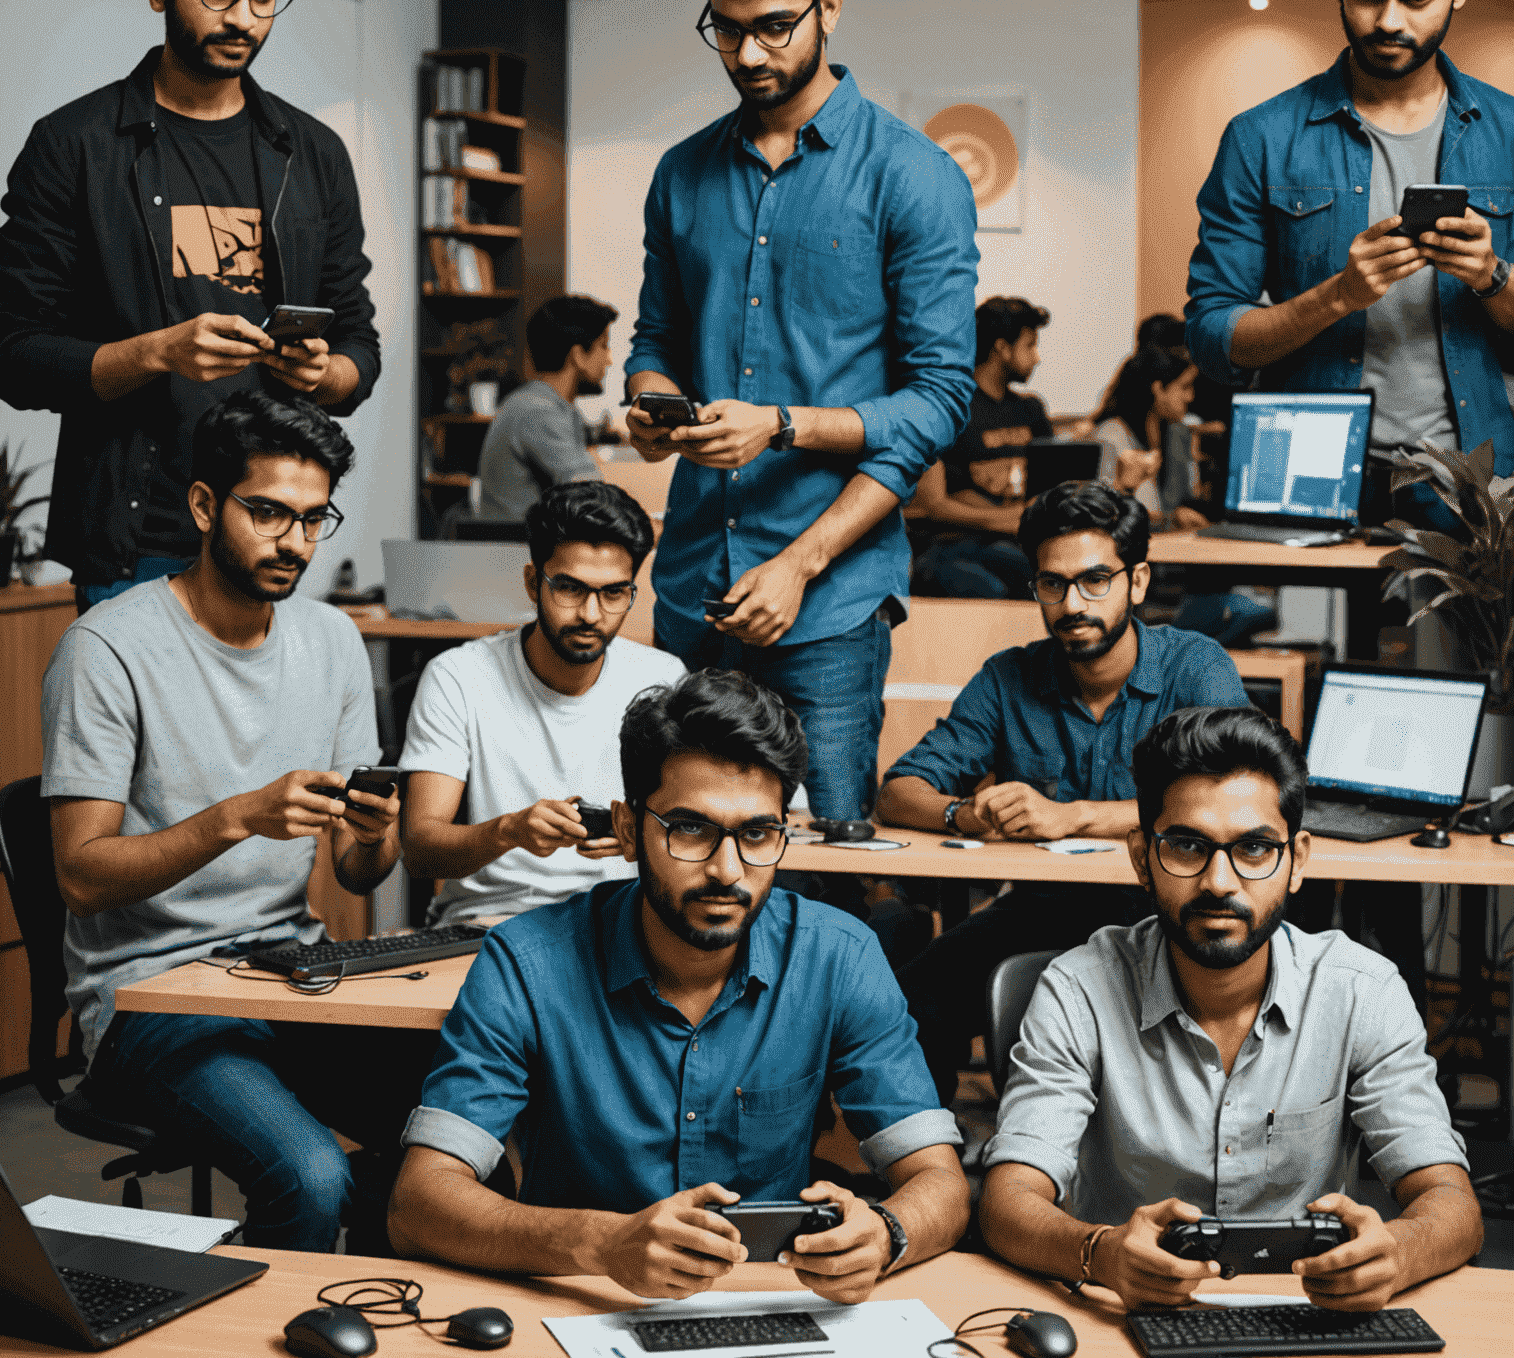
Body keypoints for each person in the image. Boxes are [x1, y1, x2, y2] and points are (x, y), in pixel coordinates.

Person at [389, 669, 969, 1303]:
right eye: (691, 829)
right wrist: (603, 1244)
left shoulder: (839, 956)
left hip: (767, 1306)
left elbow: (939, 1182)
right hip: (576, 1303)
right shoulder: (524, 961)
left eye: (756, 835)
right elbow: (419, 1203)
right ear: (630, 829)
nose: (727, 871)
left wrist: (887, 1231)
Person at [40, 392, 433, 1252]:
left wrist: (372, 833)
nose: (293, 541)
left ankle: (360, 1318)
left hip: (293, 978)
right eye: (267, 513)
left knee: (451, 1146)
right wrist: (237, 818)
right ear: (205, 505)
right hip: (150, 996)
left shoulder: (331, 639)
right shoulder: (108, 649)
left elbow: (363, 872)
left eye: (312, 518)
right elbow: (79, 873)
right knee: (311, 1175)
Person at [622, 0, 978, 825]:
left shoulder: (915, 176)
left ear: (829, 4)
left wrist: (784, 454)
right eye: (725, 27)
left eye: (774, 25)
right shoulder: (682, 173)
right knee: (676, 852)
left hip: (827, 603)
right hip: (692, 585)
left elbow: (941, 400)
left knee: (818, 867)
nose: (747, 52)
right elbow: (655, 336)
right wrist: (653, 404)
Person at [979, 706, 1481, 1312]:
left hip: (1305, 1318)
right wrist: (1102, 1252)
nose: (1220, 881)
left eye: (1254, 848)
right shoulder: (1078, 988)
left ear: (1298, 859)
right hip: (1121, 1315)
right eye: (1187, 846)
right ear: (1141, 857)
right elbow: (1007, 1202)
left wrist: (1398, 1251)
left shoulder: (1360, 990)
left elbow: (1452, 1201)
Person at [0, 0, 380, 613]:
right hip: (133, 541)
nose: (244, 18)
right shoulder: (76, 146)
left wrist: (321, 375)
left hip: (273, 536)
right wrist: (157, 352)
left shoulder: (313, 153)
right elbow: (12, 353)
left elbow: (361, 346)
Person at [879, 481, 1250, 1105]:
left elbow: (1229, 800)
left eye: (1095, 580)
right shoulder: (1009, 676)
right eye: (1053, 585)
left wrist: (1072, 817)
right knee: (914, 1005)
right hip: (1039, 912)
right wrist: (965, 814)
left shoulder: (1193, 666)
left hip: (1168, 917)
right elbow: (898, 792)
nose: (1073, 602)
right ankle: (934, 1171)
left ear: (1137, 582)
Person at [1185, 0, 1514, 525]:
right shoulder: (1261, 138)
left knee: (1465, 637)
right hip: (1304, 475)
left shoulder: (1510, 134)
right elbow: (1212, 339)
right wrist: (1339, 295)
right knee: (1296, 637)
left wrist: (1492, 276)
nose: (1388, 20)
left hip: (1473, 482)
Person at [400, 479, 685, 926]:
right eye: (570, 589)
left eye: (613, 593)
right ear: (534, 583)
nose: (591, 614)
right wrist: (508, 831)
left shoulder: (661, 680)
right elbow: (420, 850)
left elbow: (689, 833)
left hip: (620, 925)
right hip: (489, 923)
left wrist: (641, 837)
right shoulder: (458, 677)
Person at [907, 297, 1053, 599]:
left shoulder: (1031, 410)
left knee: (1049, 577)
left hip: (1013, 541)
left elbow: (1049, 484)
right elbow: (940, 503)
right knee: (997, 586)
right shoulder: (953, 411)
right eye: (1030, 345)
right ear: (1002, 348)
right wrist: (1013, 520)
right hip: (953, 545)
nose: (1036, 357)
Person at [472, 296, 613, 525]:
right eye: (603, 346)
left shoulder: (540, 404)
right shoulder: (537, 412)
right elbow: (591, 497)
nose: (609, 360)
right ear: (578, 355)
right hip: (517, 552)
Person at [1092, 345, 1207, 530]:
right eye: (1184, 387)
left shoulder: (1176, 433)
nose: (1190, 397)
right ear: (1158, 389)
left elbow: (1187, 498)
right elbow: (1123, 518)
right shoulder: (1112, 437)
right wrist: (1171, 520)